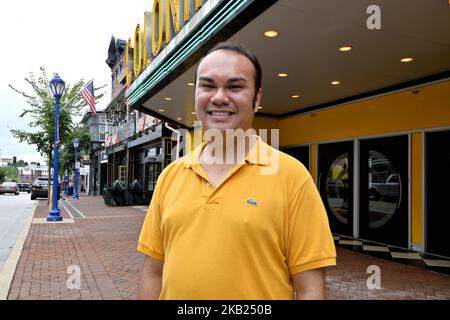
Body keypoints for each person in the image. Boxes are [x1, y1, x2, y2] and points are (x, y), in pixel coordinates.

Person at [137, 42, 336, 300]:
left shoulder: (292, 177)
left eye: (235, 86)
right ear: (196, 94)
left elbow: (310, 288)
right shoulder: (170, 176)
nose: (219, 97)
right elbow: (154, 273)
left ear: (257, 99)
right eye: (208, 86)